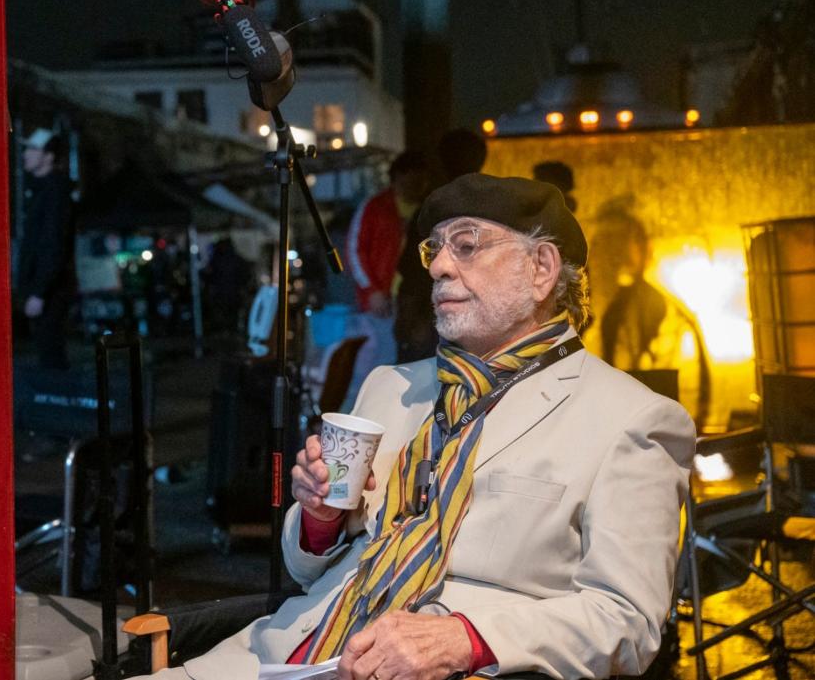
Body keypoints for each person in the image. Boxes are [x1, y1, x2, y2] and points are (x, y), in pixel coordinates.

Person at [154, 174, 694, 680]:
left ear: (542, 269)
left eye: (466, 245)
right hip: (290, 652)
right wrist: (320, 520)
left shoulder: (631, 419)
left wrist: (463, 639)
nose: (437, 267)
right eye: (434, 249)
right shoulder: (389, 387)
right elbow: (305, 570)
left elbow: (629, 620)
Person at [393, 128, 487, 364]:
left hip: (430, 312)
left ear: (442, 160)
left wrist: (409, 312)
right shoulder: (493, 210)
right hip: (478, 315)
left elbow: (412, 267)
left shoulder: (433, 205)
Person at [343, 151, 427, 406]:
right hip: (381, 303)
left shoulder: (428, 207)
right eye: (412, 179)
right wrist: (372, 291)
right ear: (398, 177)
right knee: (376, 366)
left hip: (415, 301)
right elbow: (354, 249)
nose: (417, 185)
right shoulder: (375, 207)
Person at [16, 127, 77, 369]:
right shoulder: (45, 190)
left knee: (50, 351)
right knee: (48, 350)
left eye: (33, 149)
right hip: (46, 288)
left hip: (50, 290)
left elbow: (53, 244)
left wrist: (39, 291)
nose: (26, 154)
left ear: (49, 157)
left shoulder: (54, 193)